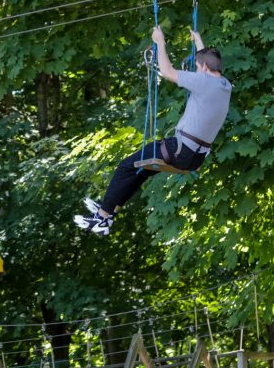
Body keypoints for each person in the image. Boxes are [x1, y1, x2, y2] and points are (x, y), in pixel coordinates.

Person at [74, 26, 232, 236]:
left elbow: (167, 72)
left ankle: (102, 218)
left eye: (197, 65)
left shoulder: (203, 81)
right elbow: (205, 68)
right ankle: (109, 210)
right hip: (194, 158)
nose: (196, 69)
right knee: (142, 169)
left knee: (125, 167)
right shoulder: (224, 85)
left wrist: (160, 42)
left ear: (203, 68)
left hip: (180, 150)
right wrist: (199, 44)